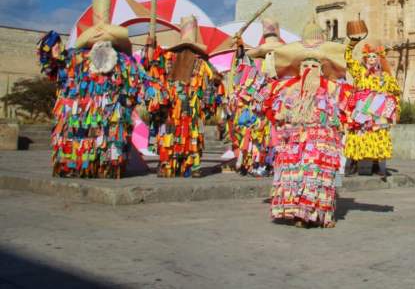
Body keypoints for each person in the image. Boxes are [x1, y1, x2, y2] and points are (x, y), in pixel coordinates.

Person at [37, 0, 156, 178]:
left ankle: (98, 167)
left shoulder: (122, 62)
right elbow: (50, 64)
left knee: (108, 148)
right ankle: (79, 166)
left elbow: (145, 85)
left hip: (109, 127)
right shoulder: (74, 59)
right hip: (78, 124)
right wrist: (50, 42)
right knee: (82, 143)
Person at [265, 21, 353, 228]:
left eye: (314, 66)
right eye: (305, 66)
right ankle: (296, 212)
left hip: (322, 142)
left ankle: (319, 213)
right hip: (294, 142)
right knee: (295, 176)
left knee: (318, 175)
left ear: (322, 69)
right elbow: (274, 109)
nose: (309, 70)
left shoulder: (333, 88)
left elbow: (348, 104)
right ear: (298, 67)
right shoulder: (287, 88)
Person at [145, 15, 224, 178]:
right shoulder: (169, 59)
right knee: (174, 134)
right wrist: (150, 51)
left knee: (190, 135)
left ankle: (187, 165)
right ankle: (171, 164)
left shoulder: (202, 64)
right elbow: (154, 73)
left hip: (189, 111)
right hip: (172, 110)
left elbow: (213, 84)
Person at [227, 17, 285, 176]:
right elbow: (242, 72)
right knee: (260, 134)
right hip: (260, 109)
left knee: (274, 133)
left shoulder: (285, 65)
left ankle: (274, 162)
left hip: (278, 109)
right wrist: (239, 46)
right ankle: (259, 162)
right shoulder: (256, 64)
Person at [344, 23, 400, 179]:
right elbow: (348, 59)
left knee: (378, 135)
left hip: (379, 111)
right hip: (362, 109)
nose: (371, 59)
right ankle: (352, 164)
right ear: (365, 58)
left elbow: (395, 93)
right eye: (369, 56)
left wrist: (395, 112)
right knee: (358, 136)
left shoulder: (386, 77)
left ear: (379, 59)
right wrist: (352, 44)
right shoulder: (359, 73)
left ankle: (379, 165)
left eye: (374, 56)